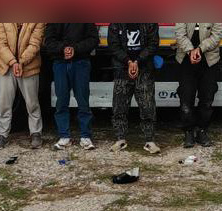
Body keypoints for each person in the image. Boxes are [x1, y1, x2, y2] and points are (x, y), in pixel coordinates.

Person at [44, 23, 98, 151]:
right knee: (61, 100)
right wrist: (63, 49)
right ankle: (64, 136)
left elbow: (93, 39)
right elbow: (49, 41)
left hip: (81, 62)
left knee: (83, 100)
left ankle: (85, 136)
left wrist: (75, 48)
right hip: (60, 62)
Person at [108, 22, 160, 153]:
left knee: (148, 106)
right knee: (119, 106)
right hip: (121, 69)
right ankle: (120, 139)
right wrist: (128, 61)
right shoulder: (116, 23)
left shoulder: (150, 22)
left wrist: (137, 61)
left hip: (144, 69)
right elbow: (113, 45)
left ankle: (150, 140)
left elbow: (153, 44)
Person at [0, 23, 45, 150]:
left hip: (28, 67)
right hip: (6, 66)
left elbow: (35, 43)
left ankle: (36, 133)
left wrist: (21, 62)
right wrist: (13, 62)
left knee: (32, 103)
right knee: (4, 104)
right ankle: (2, 134)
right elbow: (0, 43)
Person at [173, 21, 222, 148]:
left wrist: (200, 49)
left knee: (207, 98)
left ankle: (202, 130)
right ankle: (188, 131)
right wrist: (191, 51)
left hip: (209, 60)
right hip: (186, 59)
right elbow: (179, 34)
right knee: (186, 98)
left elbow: (217, 35)